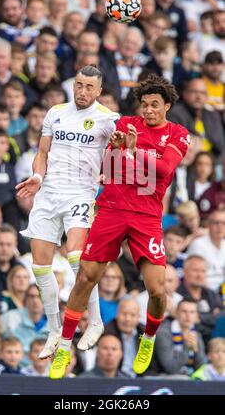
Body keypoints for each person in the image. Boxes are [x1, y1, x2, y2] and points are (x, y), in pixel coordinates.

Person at [49, 73, 190, 379]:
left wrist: (133, 151)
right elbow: (110, 165)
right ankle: (63, 346)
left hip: (147, 216)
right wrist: (115, 149)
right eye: (144, 105)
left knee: (156, 289)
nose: (148, 110)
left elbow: (164, 169)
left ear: (166, 106)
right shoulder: (126, 124)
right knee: (86, 278)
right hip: (112, 209)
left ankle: (148, 338)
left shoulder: (178, 134)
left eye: (154, 105)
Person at [15, 65, 119, 360]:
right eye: (79, 85)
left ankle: (95, 321)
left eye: (89, 87)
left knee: (76, 256)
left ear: (99, 91)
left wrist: (109, 172)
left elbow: (122, 153)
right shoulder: (55, 112)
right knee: (39, 267)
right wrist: (37, 177)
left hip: (80, 193)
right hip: (48, 192)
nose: (83, 91)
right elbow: (43, 153)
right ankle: (53, 329)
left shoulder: (109, 120)